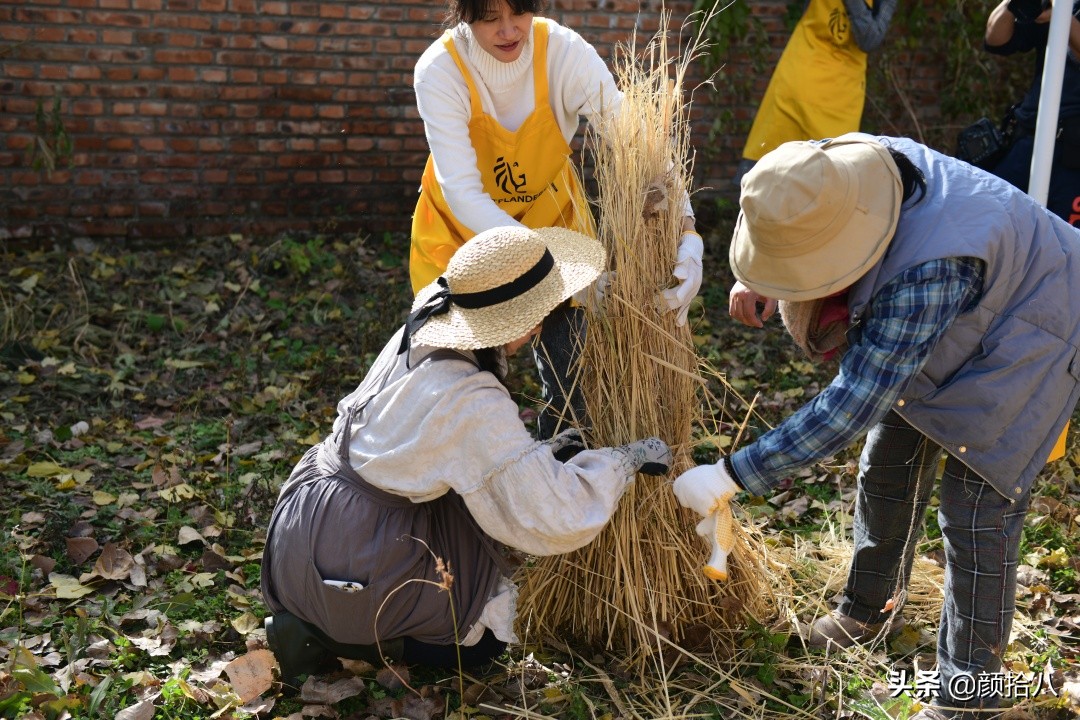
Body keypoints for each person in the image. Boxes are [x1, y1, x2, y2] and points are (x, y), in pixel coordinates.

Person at [674, 134, 1080, 719]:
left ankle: (969, 697)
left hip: (1038, 325)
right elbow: (799, 220)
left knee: (975, 511)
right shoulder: (833, 167)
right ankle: (866, 612)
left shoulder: (927, 274)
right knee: (886, 465)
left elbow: (851, 405)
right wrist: (770, 269)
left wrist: (732, 473)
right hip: (970, 309)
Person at [260, 225, 672, 690]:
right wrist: (622, 462)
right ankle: (355, 640)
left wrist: (543, 452)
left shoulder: (427, 319)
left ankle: (319, 619)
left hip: (304, 529)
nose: (541, 326)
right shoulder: (469, 398)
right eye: (539, 316)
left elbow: (446, 443)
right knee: (486, 640)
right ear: (520, 323)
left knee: (469, 516)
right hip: (358, 555)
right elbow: (555, 513)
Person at [411, 0, 703, 440]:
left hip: (553, 221)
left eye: (519, 13)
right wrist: (548, 265)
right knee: (460, 385)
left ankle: (559, 479)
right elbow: (463, 193)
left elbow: (642, 147)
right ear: (463, 15)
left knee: (573, 382)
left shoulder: (563, 54)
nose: (509, 31)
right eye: (490, 19)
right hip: (463, 239)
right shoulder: (440, 71)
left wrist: (688, 230)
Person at [736, 0, 898, 185]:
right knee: (770, 171)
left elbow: (869, 39)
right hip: (800, 79)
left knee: (830, 177)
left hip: (840, 97)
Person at [984, 0, 1080, 227]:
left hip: (1073, 160)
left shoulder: (1062, 10)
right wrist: (1013, 4)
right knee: (990, 224)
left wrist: (1061, 17)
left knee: (1063, 246)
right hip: (1028, 140)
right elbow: (995, 38)